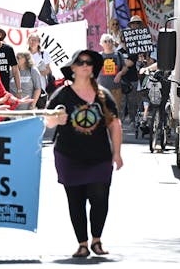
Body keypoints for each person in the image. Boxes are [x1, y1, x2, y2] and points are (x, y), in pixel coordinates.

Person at [45, 49, 123, 259]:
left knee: (100, 199)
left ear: (93, 68)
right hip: (69, 156)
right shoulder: (62, 94)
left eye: (89, 62)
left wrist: (117, 153)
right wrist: (56, 120)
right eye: (80, 62)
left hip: (99, 157)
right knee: (75, 201)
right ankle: (82, 243)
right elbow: (48, 120)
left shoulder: (103, 95)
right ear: (72, 68)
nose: (85, 65)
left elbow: (114, 124)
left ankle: (97, 240)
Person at [97, 34, 127, 117]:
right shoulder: (98, 56)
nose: (108, 43)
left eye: (110, 41)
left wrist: (120, 74)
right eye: (105, 41)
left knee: (116, 111)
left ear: (113, 43)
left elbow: (125, 67)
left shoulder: (118, 55)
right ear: (101, 44)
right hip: (102, 89)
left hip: (116, 88)